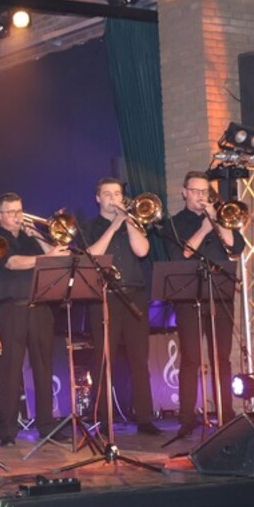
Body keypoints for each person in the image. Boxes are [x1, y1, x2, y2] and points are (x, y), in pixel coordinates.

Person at [167, 171, 245, 437]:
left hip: (220, 296)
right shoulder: (174, 224)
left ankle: (226, 413)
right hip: (189, 298)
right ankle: (187, 418)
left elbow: (235, 248)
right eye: (195, 191)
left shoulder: (221, 218)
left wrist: (217, 221)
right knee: (191, 359)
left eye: (205, 191)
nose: (201, 196)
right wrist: (203, 228)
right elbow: (182, 254)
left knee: (221, 358)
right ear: (184, 192)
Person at [82, 178, 161, 436]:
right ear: (98, 198)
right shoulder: (90, 227)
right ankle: (103, 418)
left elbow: (142, 250)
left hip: (134, 294)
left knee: (139, 359)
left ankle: (144, 418)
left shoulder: (132, 222)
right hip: (104, 297)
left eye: (117, 194)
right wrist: (113, 226)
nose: (113, 199)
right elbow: (92, 256)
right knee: (105, 359)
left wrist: (126, 221)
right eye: (107, 194)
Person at [0, 192, 69, 446]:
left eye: (19, 210)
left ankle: (46, 425)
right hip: (12, 308)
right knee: (10, 370)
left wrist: (36, 233)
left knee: (44, 367)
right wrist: (46, 257)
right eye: (11, 212)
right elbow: (13, 263)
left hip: (40, 307)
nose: (17, 216)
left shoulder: (30, 237)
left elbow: (56, 257)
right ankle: (7, 430)